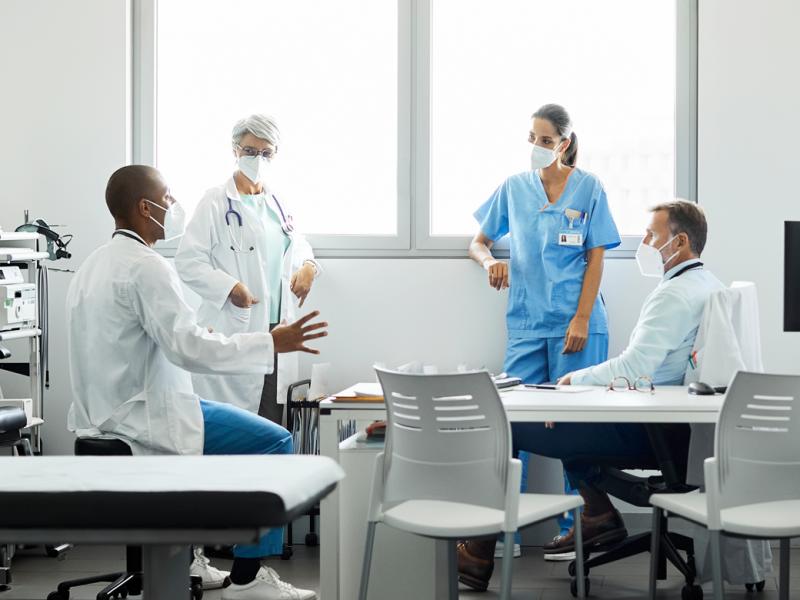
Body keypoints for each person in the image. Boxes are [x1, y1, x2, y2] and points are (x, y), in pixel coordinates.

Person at [66, 165, 327, 600]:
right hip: (143, 418)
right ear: (143, 207)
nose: (173, 208)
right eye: (167, 200)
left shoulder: (92, 266)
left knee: (213, 439)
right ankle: (246, 581)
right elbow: (188, 347)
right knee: (276, 442)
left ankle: (190, 557)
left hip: (101, 418)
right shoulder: (146, 267)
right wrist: (270, 342)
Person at [458, 200, 723, 590]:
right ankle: (598, 513)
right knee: (566, 424)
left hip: (653, 430)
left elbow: (635, 367)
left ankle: (478, 555)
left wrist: (571, 382)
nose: (645, 242)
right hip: (678, 427)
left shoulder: (674, 295)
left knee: (509, 426)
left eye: (652, 235)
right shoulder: (706, 283)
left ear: (680, 241)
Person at [465, 103, 620, 574]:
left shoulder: (588, 187)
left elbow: (596, 258)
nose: (536, 148)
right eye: (531, 138)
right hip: (528, 324)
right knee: (509, 423)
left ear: (565, 143)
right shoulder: (514, 188)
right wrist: (489, 261)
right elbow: (478, 241)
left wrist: (580, 318)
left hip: (579, 323)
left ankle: (589, 517)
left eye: (546, 140)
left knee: (576, 425)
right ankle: (498, 530)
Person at [175, 114, 320, 426]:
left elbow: (298, 245)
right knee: (236, 426)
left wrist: (309, 266)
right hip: (237, 329)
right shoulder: (214, 201)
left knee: (272, 422)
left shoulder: (278, 203)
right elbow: (188, 261)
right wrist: (229, 288)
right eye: (251, 151)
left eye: (266, 152)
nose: (258, 159)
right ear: (235, 151)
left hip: (279, 331)